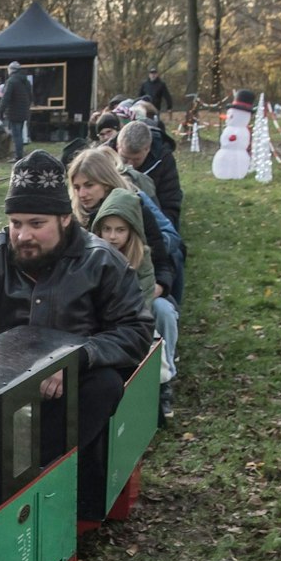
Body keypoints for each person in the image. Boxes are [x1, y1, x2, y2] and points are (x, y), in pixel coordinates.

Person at [0, 150, 152, 520]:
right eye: (16, 223)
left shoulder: (102, 262)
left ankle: (42, 485)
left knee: (104, 385)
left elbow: (136, 330)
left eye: (37, 223)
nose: (23, 235)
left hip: (67, 392)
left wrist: (76, 357)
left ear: (65, 219)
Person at [69, 148, 179, 423]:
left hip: (145, 288)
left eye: (89, 185)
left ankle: (163, 382)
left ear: (106, 182)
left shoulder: (134, 207)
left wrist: (159, 287)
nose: (82, 193)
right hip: (98, 296)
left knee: (162, 312)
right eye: (77, 186)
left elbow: (161, 260)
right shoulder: (74, 219)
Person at [118, 120, 183, 231]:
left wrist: (164, 236)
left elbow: (170, 202)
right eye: (125, 158)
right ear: (117, 146)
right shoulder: (104, 156)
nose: (130, 165)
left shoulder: (164, 160)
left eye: (136, 159)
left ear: (147, 149)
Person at [2, 61, 33, 158]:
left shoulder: (11, 81)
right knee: (20, 133)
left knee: (16, 136)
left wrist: (0, 110)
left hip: (13, 111)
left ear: (10, 70)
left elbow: (6, 97)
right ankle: (19, 154)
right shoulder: (26, 81)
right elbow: (30, 96)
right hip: (24, 111)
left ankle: (18, 156)